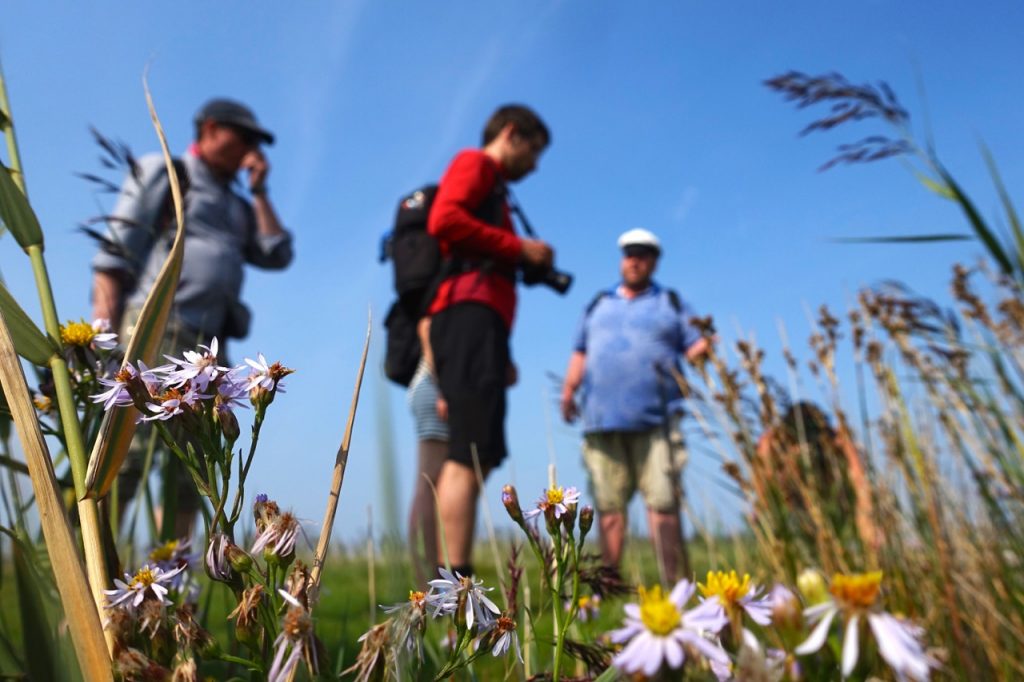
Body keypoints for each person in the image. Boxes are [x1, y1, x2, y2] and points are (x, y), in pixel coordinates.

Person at [91, 98, 294, 537]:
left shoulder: (238, 205)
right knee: (127, 450)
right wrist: (103, 339)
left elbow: (278, 253)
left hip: (208, 343)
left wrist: (259, 190)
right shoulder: (164, 172)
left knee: (195, 460)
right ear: (212, 129)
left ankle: (173, 577)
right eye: (246, 140)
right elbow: (113, 257)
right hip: (154, 327)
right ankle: (94, 567)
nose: (252, 152)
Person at [427, 104, 556, 578]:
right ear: (512, 133)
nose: (535, 164)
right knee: (467, 453)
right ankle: (454, 585)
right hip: (468, 317)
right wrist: (519, 247)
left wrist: (504, 348)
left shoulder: (496, 189)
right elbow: (444, 219)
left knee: (477, 450)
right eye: (534, 150)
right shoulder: (475, 164)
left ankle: (452, 578)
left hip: (483, 326)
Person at [560, 228, 709, 582]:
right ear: (621, 258)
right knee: (608, 509)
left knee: (663, 506)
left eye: (643, 253)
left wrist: (707, 346)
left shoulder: (671, 302)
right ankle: (606, 588)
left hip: (658, 421)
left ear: (654, 261)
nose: (635, 259)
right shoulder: (597, 303)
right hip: (601, 421)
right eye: (629, 253)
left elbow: (695, 347)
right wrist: (568, 390)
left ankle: (676, 586)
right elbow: (580, 351)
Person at [754, 401, 880, 552]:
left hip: (838, 522)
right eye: (797, 446)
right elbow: (764, 504)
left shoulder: (835, 455)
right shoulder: (781, 461)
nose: (808, 457)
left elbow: (862, 488)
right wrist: (766, 450)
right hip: (798, 526)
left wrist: (847, 449)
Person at [406, 316, 448, 584]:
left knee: (435, 485)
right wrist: (444, 389)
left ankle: (432, 574)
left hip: (433, 387)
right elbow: (427, 326)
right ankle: (426, 578)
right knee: (428, 484)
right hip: (434, 388)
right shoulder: (440, 292)